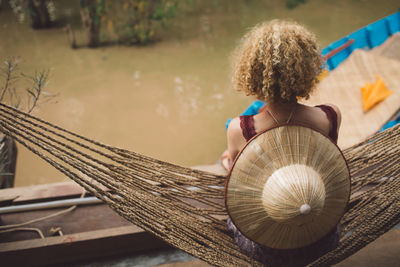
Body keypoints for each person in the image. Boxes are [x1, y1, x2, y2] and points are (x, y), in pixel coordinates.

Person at [223, 20, 343, 266]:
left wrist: (229, 161)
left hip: (264, 248)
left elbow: (240, 180)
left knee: (226, 164)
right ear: (308, 72)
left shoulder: (241, 129)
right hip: (320, 236)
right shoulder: (330, 116)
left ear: (252, 74)